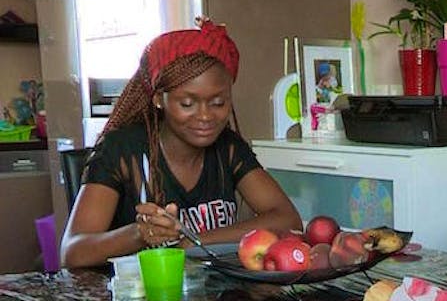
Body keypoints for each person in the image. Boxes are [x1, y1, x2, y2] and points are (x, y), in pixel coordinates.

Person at [61, 18, 302, 268]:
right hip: (137, 298)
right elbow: (72, 253)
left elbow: (288, 219)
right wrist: (138, 234)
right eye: (187, 104)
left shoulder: (228, 147)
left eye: (218, 103)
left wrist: (189, 242)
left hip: (213, 298)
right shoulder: (121, 150)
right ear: (158, 99)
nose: (206, 116)